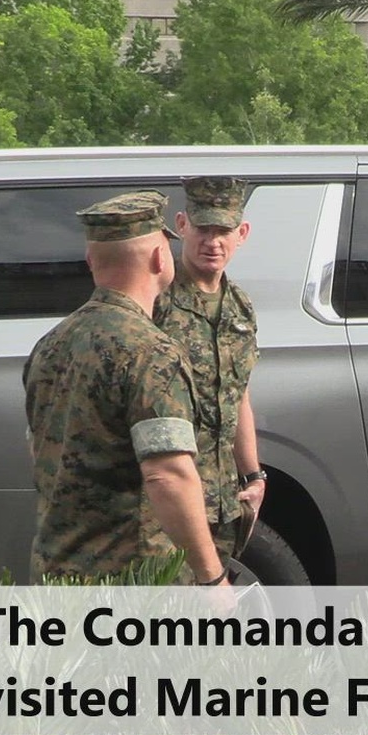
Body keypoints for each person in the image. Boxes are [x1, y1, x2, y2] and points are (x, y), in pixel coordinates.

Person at [22, 190, 227, 587]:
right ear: (158, 258)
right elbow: (167, 474)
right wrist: (211, 577)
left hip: (55, 574)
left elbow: (42, 450)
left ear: (90, 261)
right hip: (132, 586)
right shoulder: (151, 353)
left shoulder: (51, 344)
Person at [155, 176, 263, 561]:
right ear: (182, 225)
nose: (212, 241)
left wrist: (253, 475)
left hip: (223, 500)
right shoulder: (157, 300)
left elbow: (239, 394)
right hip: (166, 503)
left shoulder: (240, 307)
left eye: (223, 230)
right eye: (203, 228)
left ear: (242, 233)